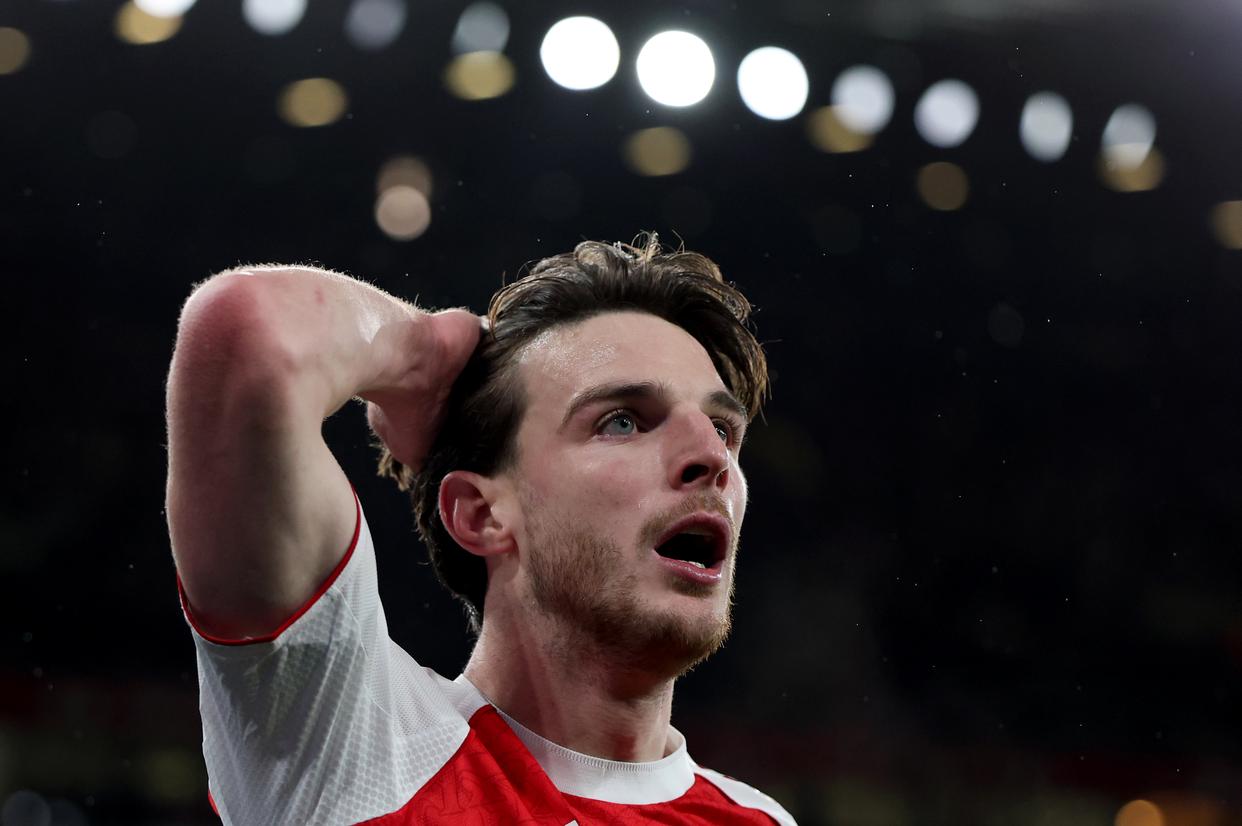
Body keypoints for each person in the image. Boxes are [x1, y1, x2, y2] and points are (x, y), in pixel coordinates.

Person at [165, 234, 798, 825]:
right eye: (623, 421)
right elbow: (248, 329)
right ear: (480, 513)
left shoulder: (762, 820)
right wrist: (424, 357)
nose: (712, 457)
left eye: (723, 430)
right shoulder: (360, 747)